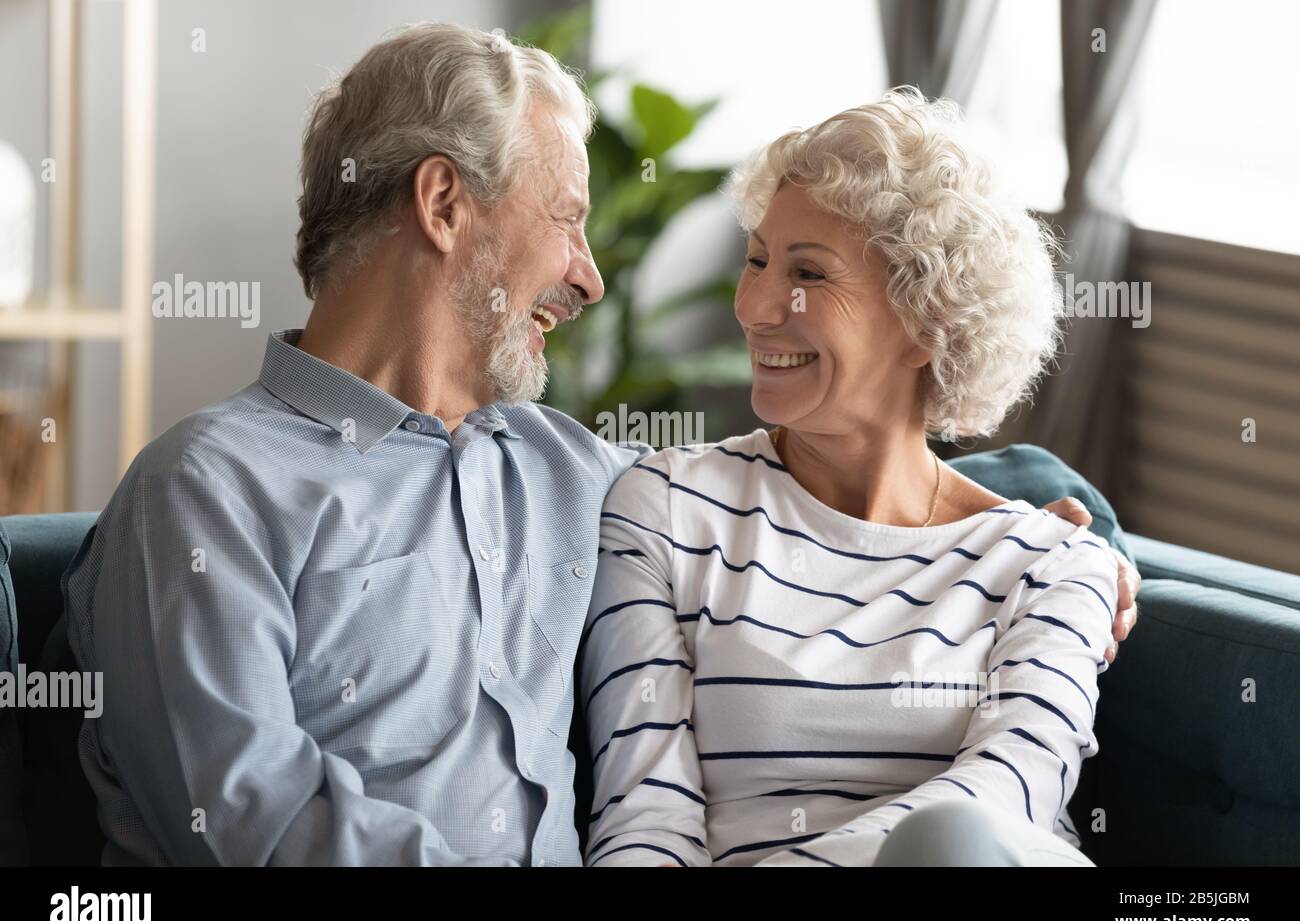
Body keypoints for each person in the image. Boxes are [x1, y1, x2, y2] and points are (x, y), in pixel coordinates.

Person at [63, 26, 1134, 866]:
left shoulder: (572, 474)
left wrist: (1057, 535)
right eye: (569, 218)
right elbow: (253, 822)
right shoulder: (204, 494)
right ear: (443, 203)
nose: (591, 276)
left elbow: (826, 488)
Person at [581, 89, 1127, 867]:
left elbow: (1009, 794)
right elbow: (643, 819)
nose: (755, 306)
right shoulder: (666, 511)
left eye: (807, 273)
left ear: (925, 321)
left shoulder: (1056, 566)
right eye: (758, 259)